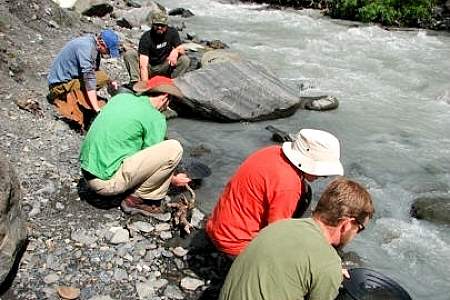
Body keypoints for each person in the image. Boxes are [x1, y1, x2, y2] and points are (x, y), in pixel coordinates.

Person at [219, 177, 375, 300]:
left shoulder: (280, 226)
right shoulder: (328, 263)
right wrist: (330, 274)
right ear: (347, 224)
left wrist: (326, 273)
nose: (356, 234)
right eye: (359, 229)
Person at [206, 128, 344, 257]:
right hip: (236, 243)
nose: (323, 177)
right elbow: (276, 237)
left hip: (218, 226)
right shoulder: (289, 185)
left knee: (305, 192)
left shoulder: (273, 151)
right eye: (323, 172)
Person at [79, 76, 191, 215]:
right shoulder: (155, 117)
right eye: (170, 101)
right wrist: (173, 179)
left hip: (86, 172)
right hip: (104, 185)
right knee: (174, 148)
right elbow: (153, 157)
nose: (167, 106)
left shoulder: (121, 98)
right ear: (164, 97)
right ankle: (136, 200)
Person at [48, 29, 120, 129]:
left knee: (103, 77)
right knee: (102, 77)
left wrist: (110, 82)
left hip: (71, 80)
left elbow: (94, 70)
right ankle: (73, 99)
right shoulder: (86, 48)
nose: (108, 54)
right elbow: (89, 78)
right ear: (101, 43)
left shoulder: (93, 46)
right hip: (59, 86)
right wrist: (97, 109)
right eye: (108, 51)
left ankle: (84, 99)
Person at [123, 10, 190, 83]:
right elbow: (143, 65)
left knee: (184, 59)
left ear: (166, 25)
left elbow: (182, 50)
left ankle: (173, 83)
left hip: (165, 66)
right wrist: (145, 85)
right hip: (150, 68)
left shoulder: (172, 33)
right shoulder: (146, 37)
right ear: (152, 24)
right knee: (130, 54)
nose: (159, 27)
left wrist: (175, 51)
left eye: (162, 25)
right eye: (157, 25)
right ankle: (136, 83)